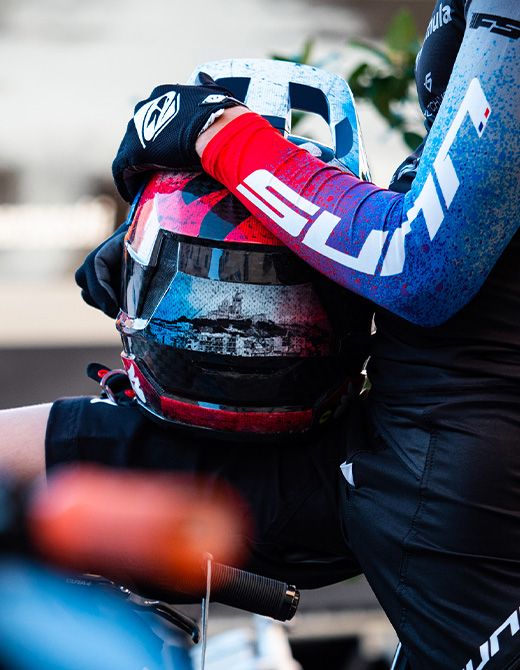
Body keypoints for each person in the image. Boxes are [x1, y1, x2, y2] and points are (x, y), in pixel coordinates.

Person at [0, 0, 518, 667]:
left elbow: (419, 262)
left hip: (467, 500)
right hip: (378, 459)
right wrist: (182, 236)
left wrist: (216, 132)